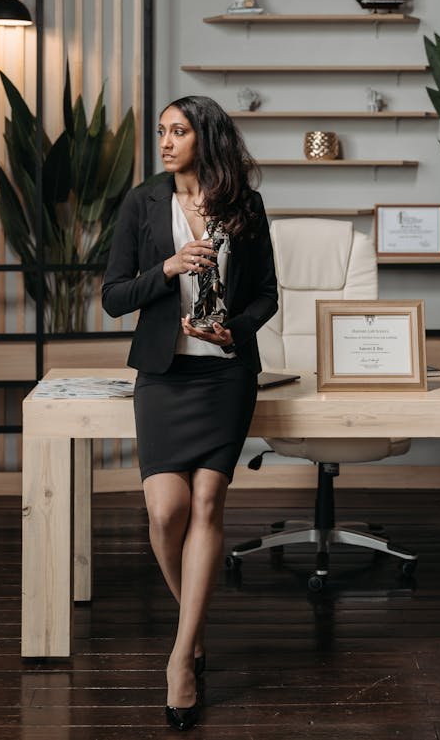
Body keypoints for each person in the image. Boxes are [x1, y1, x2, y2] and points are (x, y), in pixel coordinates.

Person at [102, 95, 278, 730]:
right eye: (161, 131)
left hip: (225, 376)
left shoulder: (244, 204)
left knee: (206, 504)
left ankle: (182, 659)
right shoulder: (142, 203)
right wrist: (169, 266)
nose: (166, 141)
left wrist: (235, 328)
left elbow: (267, 295)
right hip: (163, 375)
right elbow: (112, 297)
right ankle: (193, 622)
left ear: (207, 137)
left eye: (178, 131)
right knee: (164, 510)